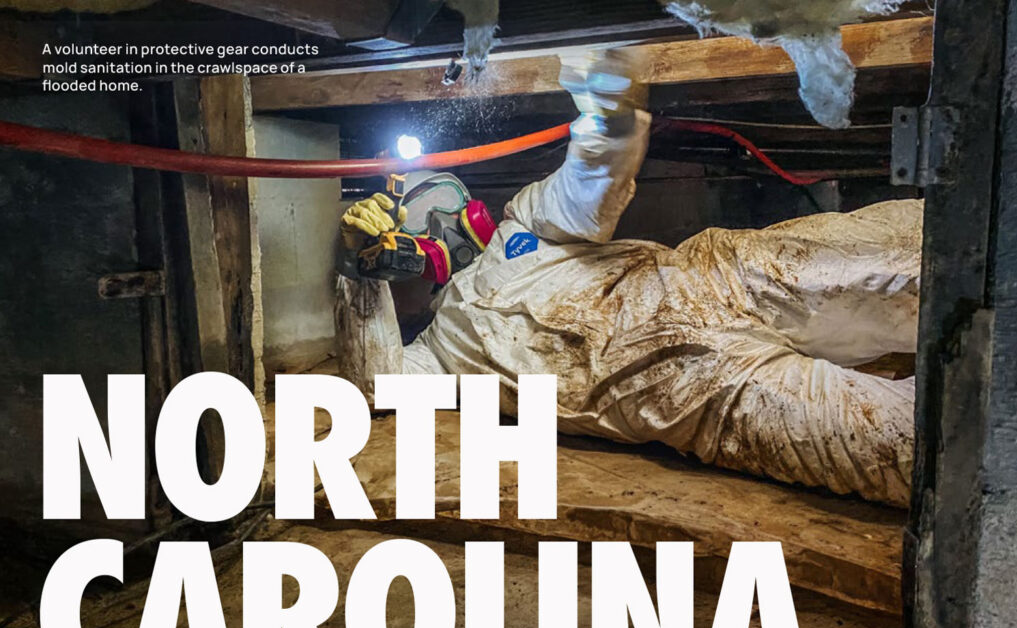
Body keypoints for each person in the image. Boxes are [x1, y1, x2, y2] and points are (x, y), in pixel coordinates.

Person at [334, 51, 921, 509]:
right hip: (694, 398)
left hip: (711, 278)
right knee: (908, 446)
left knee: (912, 260)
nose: (440, 222)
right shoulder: (436, 359)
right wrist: (357, 276)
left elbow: (587, 196)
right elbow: (375, 385)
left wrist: (607, 119)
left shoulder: (523, 221)